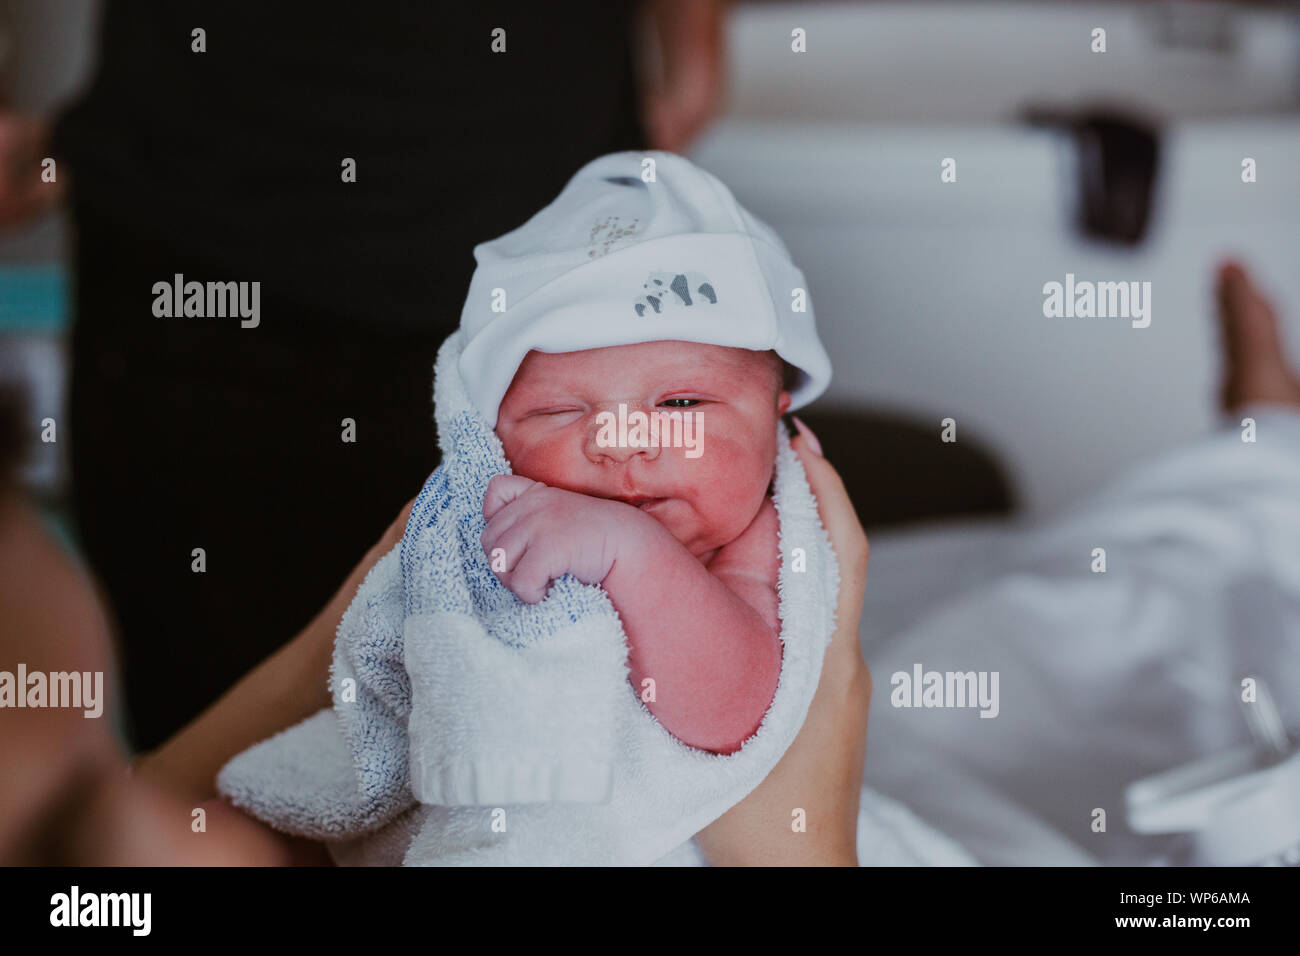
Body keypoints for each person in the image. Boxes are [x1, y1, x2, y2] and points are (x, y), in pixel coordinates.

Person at [0, 1, 729, 751]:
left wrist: (693, 62)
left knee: (530, 755)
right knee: (207, 765)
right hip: (198, 261)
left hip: (536, 245)